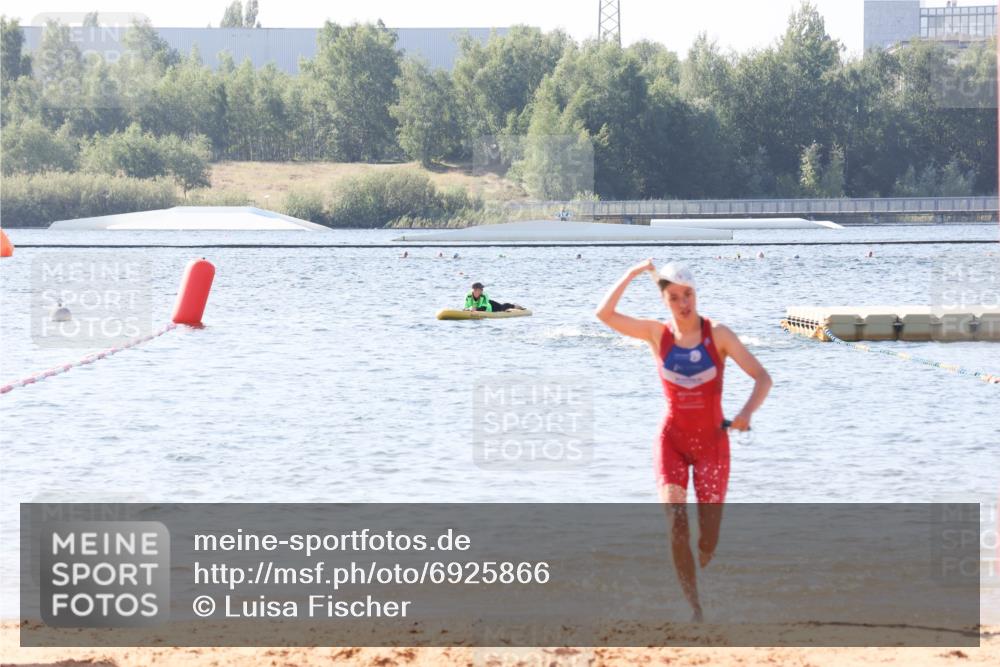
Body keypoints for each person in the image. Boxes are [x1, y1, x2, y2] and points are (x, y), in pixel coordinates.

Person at [595, 259, 771, 622]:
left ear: (696, 294)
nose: (683, 303)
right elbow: (604, 313)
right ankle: (694, 607)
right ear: (665, 301)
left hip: (712, 445)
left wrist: (746, 414)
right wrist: (631, 273)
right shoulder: (656, 335)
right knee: (676, 524)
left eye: (688, 294)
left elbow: (762, 378)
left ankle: (707, 547)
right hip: (671, 441)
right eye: (674, 297)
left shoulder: (717, 335)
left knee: (707, 538)